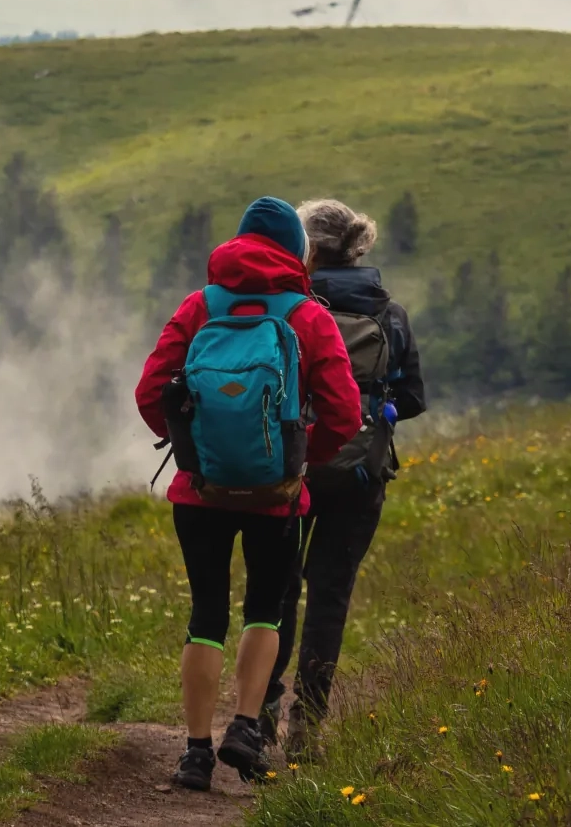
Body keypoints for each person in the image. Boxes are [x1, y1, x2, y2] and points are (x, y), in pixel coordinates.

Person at [135, 196, 362, 790]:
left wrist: (194, 449)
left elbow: (150, 392)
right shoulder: (309, 316)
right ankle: (244, 726)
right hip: (277, 496)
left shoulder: (199, 306)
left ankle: (194, 754)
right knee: (266, 609)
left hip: (200, 492)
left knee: (205, 614)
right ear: (295, 251)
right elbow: (343, 412)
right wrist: (297, 457)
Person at [260, 198, 426, 758]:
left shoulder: (291, 306)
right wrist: (374, 414)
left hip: (290, 468)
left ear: (306, 247)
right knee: (329, 597)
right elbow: (413, 399)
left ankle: (257, 718)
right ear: (358, 245)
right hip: (359, 475)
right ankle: (306, 729)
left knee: (277, 591)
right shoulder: (391, 314)